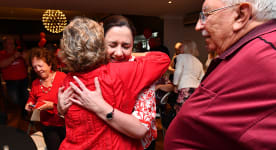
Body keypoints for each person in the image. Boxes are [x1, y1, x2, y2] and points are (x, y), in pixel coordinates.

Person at [165, 0, 276, 149]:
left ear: (241, 15)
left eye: (206, 15)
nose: (198, 26)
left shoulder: (265, 56)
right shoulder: (247, 51)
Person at [57, 17, 170, 150]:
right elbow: (162, 59)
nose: (118, 53)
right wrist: (60, 109)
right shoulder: (120, 72)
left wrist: (101, 107)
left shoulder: (68, 80)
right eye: (112, 45)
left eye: (126, 46)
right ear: (101, 45)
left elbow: (140, 130)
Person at [25, 48, 66, 150]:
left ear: (49, 64)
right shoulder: (35, 83)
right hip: (47, 125)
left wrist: (52, 106)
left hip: (66, 123)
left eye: (40, 65)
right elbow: (32, 98)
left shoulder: (62, 77)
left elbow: (71, 101)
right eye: (35, 67)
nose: (38, 69)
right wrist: (29, 104)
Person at [0, 36, 28, 113]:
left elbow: (28, 64)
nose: (12, 45)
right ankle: (18, 113)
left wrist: (26, 58)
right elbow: (1, 65)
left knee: (26, 98)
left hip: (24, 79)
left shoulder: (19, 52)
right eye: (9, 43)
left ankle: (24, 114)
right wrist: (14, 57)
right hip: (11, 81)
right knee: (14, 100)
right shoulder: (0, 54)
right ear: (4, 45)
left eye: (13, 43)